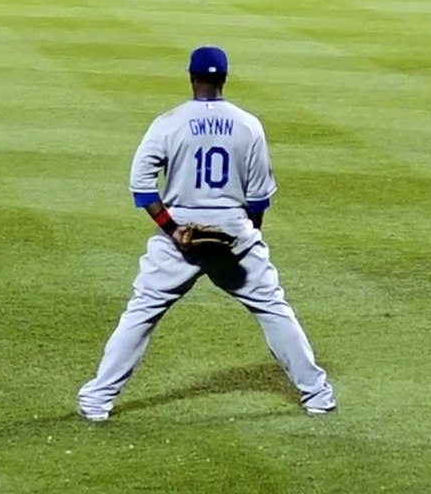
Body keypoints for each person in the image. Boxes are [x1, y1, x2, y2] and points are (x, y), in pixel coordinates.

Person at [76, 46, 337, 422]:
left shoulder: (168, 122)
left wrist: (173, 230)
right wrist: (244, 239)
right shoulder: (248, 124)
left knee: (141, 311)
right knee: (273, 309)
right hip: (235, 231)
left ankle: (98, 400)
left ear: (191, 76)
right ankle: (318, 395)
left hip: (178, 236)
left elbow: (143, 188)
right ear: (225, 78)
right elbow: (259, 199)